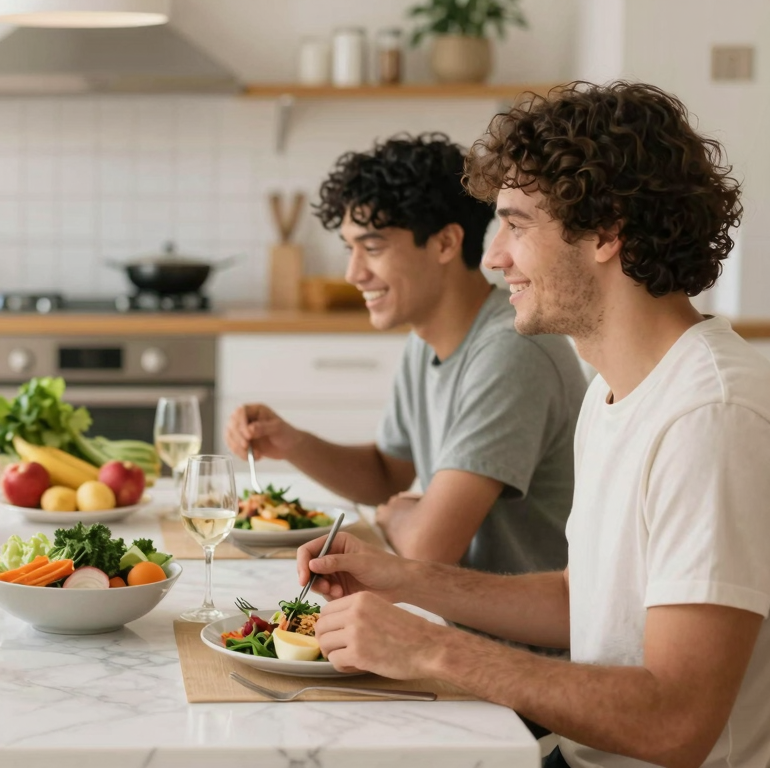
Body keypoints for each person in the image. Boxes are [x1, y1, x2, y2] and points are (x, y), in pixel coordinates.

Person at [301, 81, 769, 768]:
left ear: (608, 231)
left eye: (517, 225)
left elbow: (678, 722)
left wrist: (431, 646)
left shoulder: (710, 416)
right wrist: (395, 579)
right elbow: (579, 599)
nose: (494, 258)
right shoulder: (616, 390)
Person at [226, 133, 586, 573]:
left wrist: (396, 517)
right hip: (453, 614)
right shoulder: (425, 338)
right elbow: (386, 474)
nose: (353, 273)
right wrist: (292, 443)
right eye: (350, 249)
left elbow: (426, 550)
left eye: (372, 248)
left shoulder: (512, 350)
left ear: (445, 244)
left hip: (512, 639)